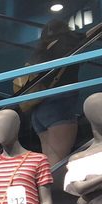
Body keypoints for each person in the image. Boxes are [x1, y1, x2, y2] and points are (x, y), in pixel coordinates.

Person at [19, 19, 84, 168]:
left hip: (39, 110)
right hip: (60, 105)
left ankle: (47, 184)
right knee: (59, 161)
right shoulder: (67, 41)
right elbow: (88, 36)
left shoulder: (40, 52)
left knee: (49, 159)